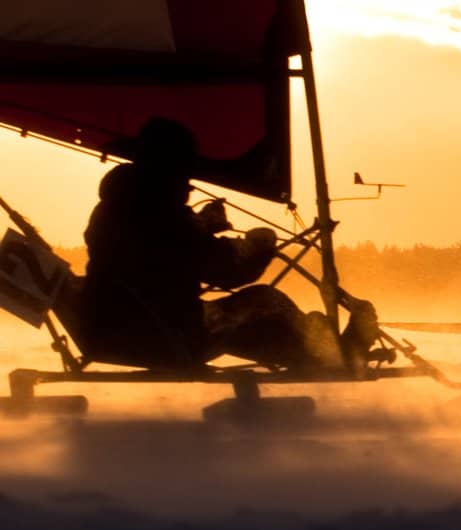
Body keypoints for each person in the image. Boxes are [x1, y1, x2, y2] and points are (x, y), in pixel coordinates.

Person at [71, 118, 379, 372]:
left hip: (113, 325)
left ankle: (313, 353)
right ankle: (331, 357)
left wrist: (202, 226)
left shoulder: (116, 206)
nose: (189, 180)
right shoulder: (164, 215)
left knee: (230, 319)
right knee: (264, 301)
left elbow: (161, 249)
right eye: (185, 168)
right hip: (161, 335)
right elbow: (227, 269)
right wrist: (259, 246)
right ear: (170, 166)